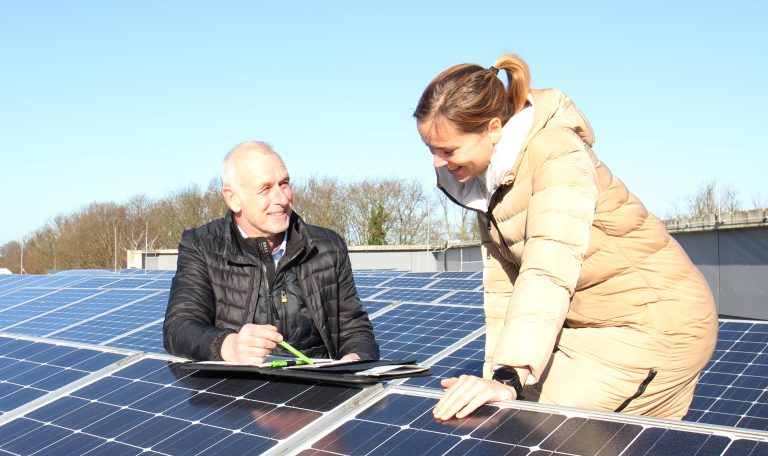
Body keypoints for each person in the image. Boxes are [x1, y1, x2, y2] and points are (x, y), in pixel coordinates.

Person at [414, 55, 717, 420]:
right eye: (431, 150)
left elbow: (548, 267)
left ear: (493, 129)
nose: (437, 162)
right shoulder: (486, 184)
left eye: (448, 150)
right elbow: (504, 287)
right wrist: (496, 375)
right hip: (586, 327)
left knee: (553, 435)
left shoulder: (555, 153)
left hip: (651, 326)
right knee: (515, 422)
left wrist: (511, 373)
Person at [163, 141, 379, 364]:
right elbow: (178, 328)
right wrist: (228, 345)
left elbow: (355, 328)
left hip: (318, 390)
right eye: (265, 189)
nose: (282, 199)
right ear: (233, 198)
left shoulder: (327, 247)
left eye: (284, 184)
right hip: (233, 390)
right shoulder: (201, 245)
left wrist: (357, 358)